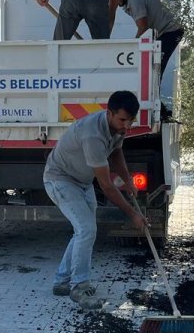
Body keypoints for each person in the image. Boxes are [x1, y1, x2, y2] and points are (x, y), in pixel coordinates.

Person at [43, 90, 148, 310]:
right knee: (86, 229)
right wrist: (133, 215)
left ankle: (61, 282)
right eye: (122, 120)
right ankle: (79, 286)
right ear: (109, 113)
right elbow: (107, 187)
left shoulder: (117, 128)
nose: (127, 126)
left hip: (82, 181)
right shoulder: (93, 135)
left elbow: (117, 153)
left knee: (84, 230)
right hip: (60, 179)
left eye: (131, 120)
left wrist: (128, 180)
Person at [121, 0, 185, 78]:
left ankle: (154, 90)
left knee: (155, 66)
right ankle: (154, 88)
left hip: (171, 30)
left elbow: (143, 27)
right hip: (167, 30)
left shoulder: (134, 0)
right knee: (154, 65)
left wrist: (133, 47)